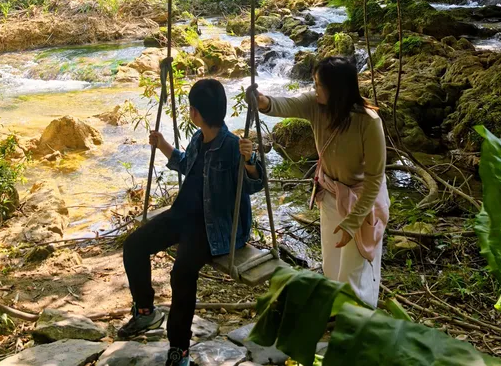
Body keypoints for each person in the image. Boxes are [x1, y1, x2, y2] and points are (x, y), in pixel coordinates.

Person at [120, 78, 264, 366]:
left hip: (216, 229)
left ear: (196, 112)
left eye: (190, 108)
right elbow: (187, 164)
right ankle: (146, 312)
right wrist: (163, 146)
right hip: (184, 214)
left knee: (182, 273)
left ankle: (179, 349)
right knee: (134, 246)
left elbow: (255, 184)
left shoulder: (234, 146)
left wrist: (249, 160)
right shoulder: (200, 139)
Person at [257, 55, 388, 307]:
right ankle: (334, 312)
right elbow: (283, 105)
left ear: (336, 89)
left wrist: (353, 222)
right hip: (330, 195)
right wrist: (262, 101)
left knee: (356, 266)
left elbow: (374, 179)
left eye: (318, 84)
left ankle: (356, 321)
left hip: (363, 203)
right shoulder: (314, 105)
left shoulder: (369, 122)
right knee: (332, 262)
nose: (314, 89)